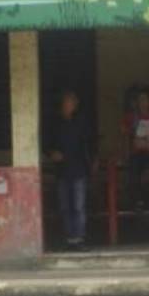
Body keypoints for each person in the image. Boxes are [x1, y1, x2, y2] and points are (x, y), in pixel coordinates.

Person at [45, 90, 97, 251]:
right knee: (65, 207)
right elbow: (46, 144)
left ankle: (79, 239)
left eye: (73, 103)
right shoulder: (55, 123)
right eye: (67, 102)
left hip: (79, 169)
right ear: (63, 104)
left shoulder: (80, 122)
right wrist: (51, 153)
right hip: (62, 171)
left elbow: (90, 143)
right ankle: (70, 240)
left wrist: (94, 160)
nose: (70, 105)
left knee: (79, 206)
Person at [122, 88, 149, 210]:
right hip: (137, 153)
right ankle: (137, 201)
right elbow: (124, 132)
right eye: (140, 100)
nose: (142, 102)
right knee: (133, 174)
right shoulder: (132, 117)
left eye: (145, 99)